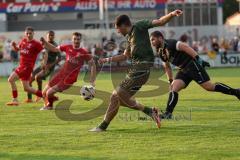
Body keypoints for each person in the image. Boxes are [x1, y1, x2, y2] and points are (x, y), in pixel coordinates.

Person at [89, 10, 183, 132]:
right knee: (115, 98)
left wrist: (171, 14)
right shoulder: (129, 38)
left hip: (142, 68)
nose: (118, 32)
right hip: (137, 70)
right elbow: (124, 56)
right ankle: (103, 127)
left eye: (118, 29)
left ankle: (150, 111)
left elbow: (160, 22)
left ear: (123, 25)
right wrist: (107, 59)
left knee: (119, 93)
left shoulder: (139, 26)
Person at [150, 31, 240, 119]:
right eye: (151, 40)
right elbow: (167, 67)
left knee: (209, 87)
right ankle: (168, 113)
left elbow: (185, 47)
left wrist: (199, 59)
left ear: (160, 38)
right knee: (174, 87)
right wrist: (170, 80)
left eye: (153, 39)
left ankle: (236, 92)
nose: (152, 42)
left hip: (192, 65)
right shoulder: (160, 52)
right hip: (183, 70)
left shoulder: (171, 43)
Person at [40, 32, 96, 110]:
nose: (76, 41)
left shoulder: (83, 52)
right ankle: (51, 100)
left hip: (69, 79)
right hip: (61, 74)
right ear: (72, 40)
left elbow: (93, 65)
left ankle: (49, 106)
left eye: (78, 39)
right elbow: (54, 49)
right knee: (43, 92)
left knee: (49, 93)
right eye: (75, 39)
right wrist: (45, 42)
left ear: (80, 40)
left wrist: (92, 80)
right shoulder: (67, 47)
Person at [6, 26, 45, 106]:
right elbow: (18, 49)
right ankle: (45, 96)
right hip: (22, 66)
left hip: (27, 67)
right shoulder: (23, 41)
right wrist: (14, 45)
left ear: (33, 34)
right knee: (27, 88)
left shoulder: (36, 44)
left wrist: (44, 62)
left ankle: (15, 100)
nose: (28, 35)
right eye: (27, 33)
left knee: (10, 79)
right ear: (25, 33)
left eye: (30, 33)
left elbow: (45, 52)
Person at [25, 31, 61, 103]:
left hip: (49, 67)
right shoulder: (43, 44)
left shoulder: (55, 46)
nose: (51, 36)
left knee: (37, 77)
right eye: (49, 35)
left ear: (54, 36)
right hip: (42, 65)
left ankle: (40, 94)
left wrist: (51, 64)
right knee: (29, 80)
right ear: (46, 36)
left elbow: (59, 58)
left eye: (52, 35)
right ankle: (29, 99)